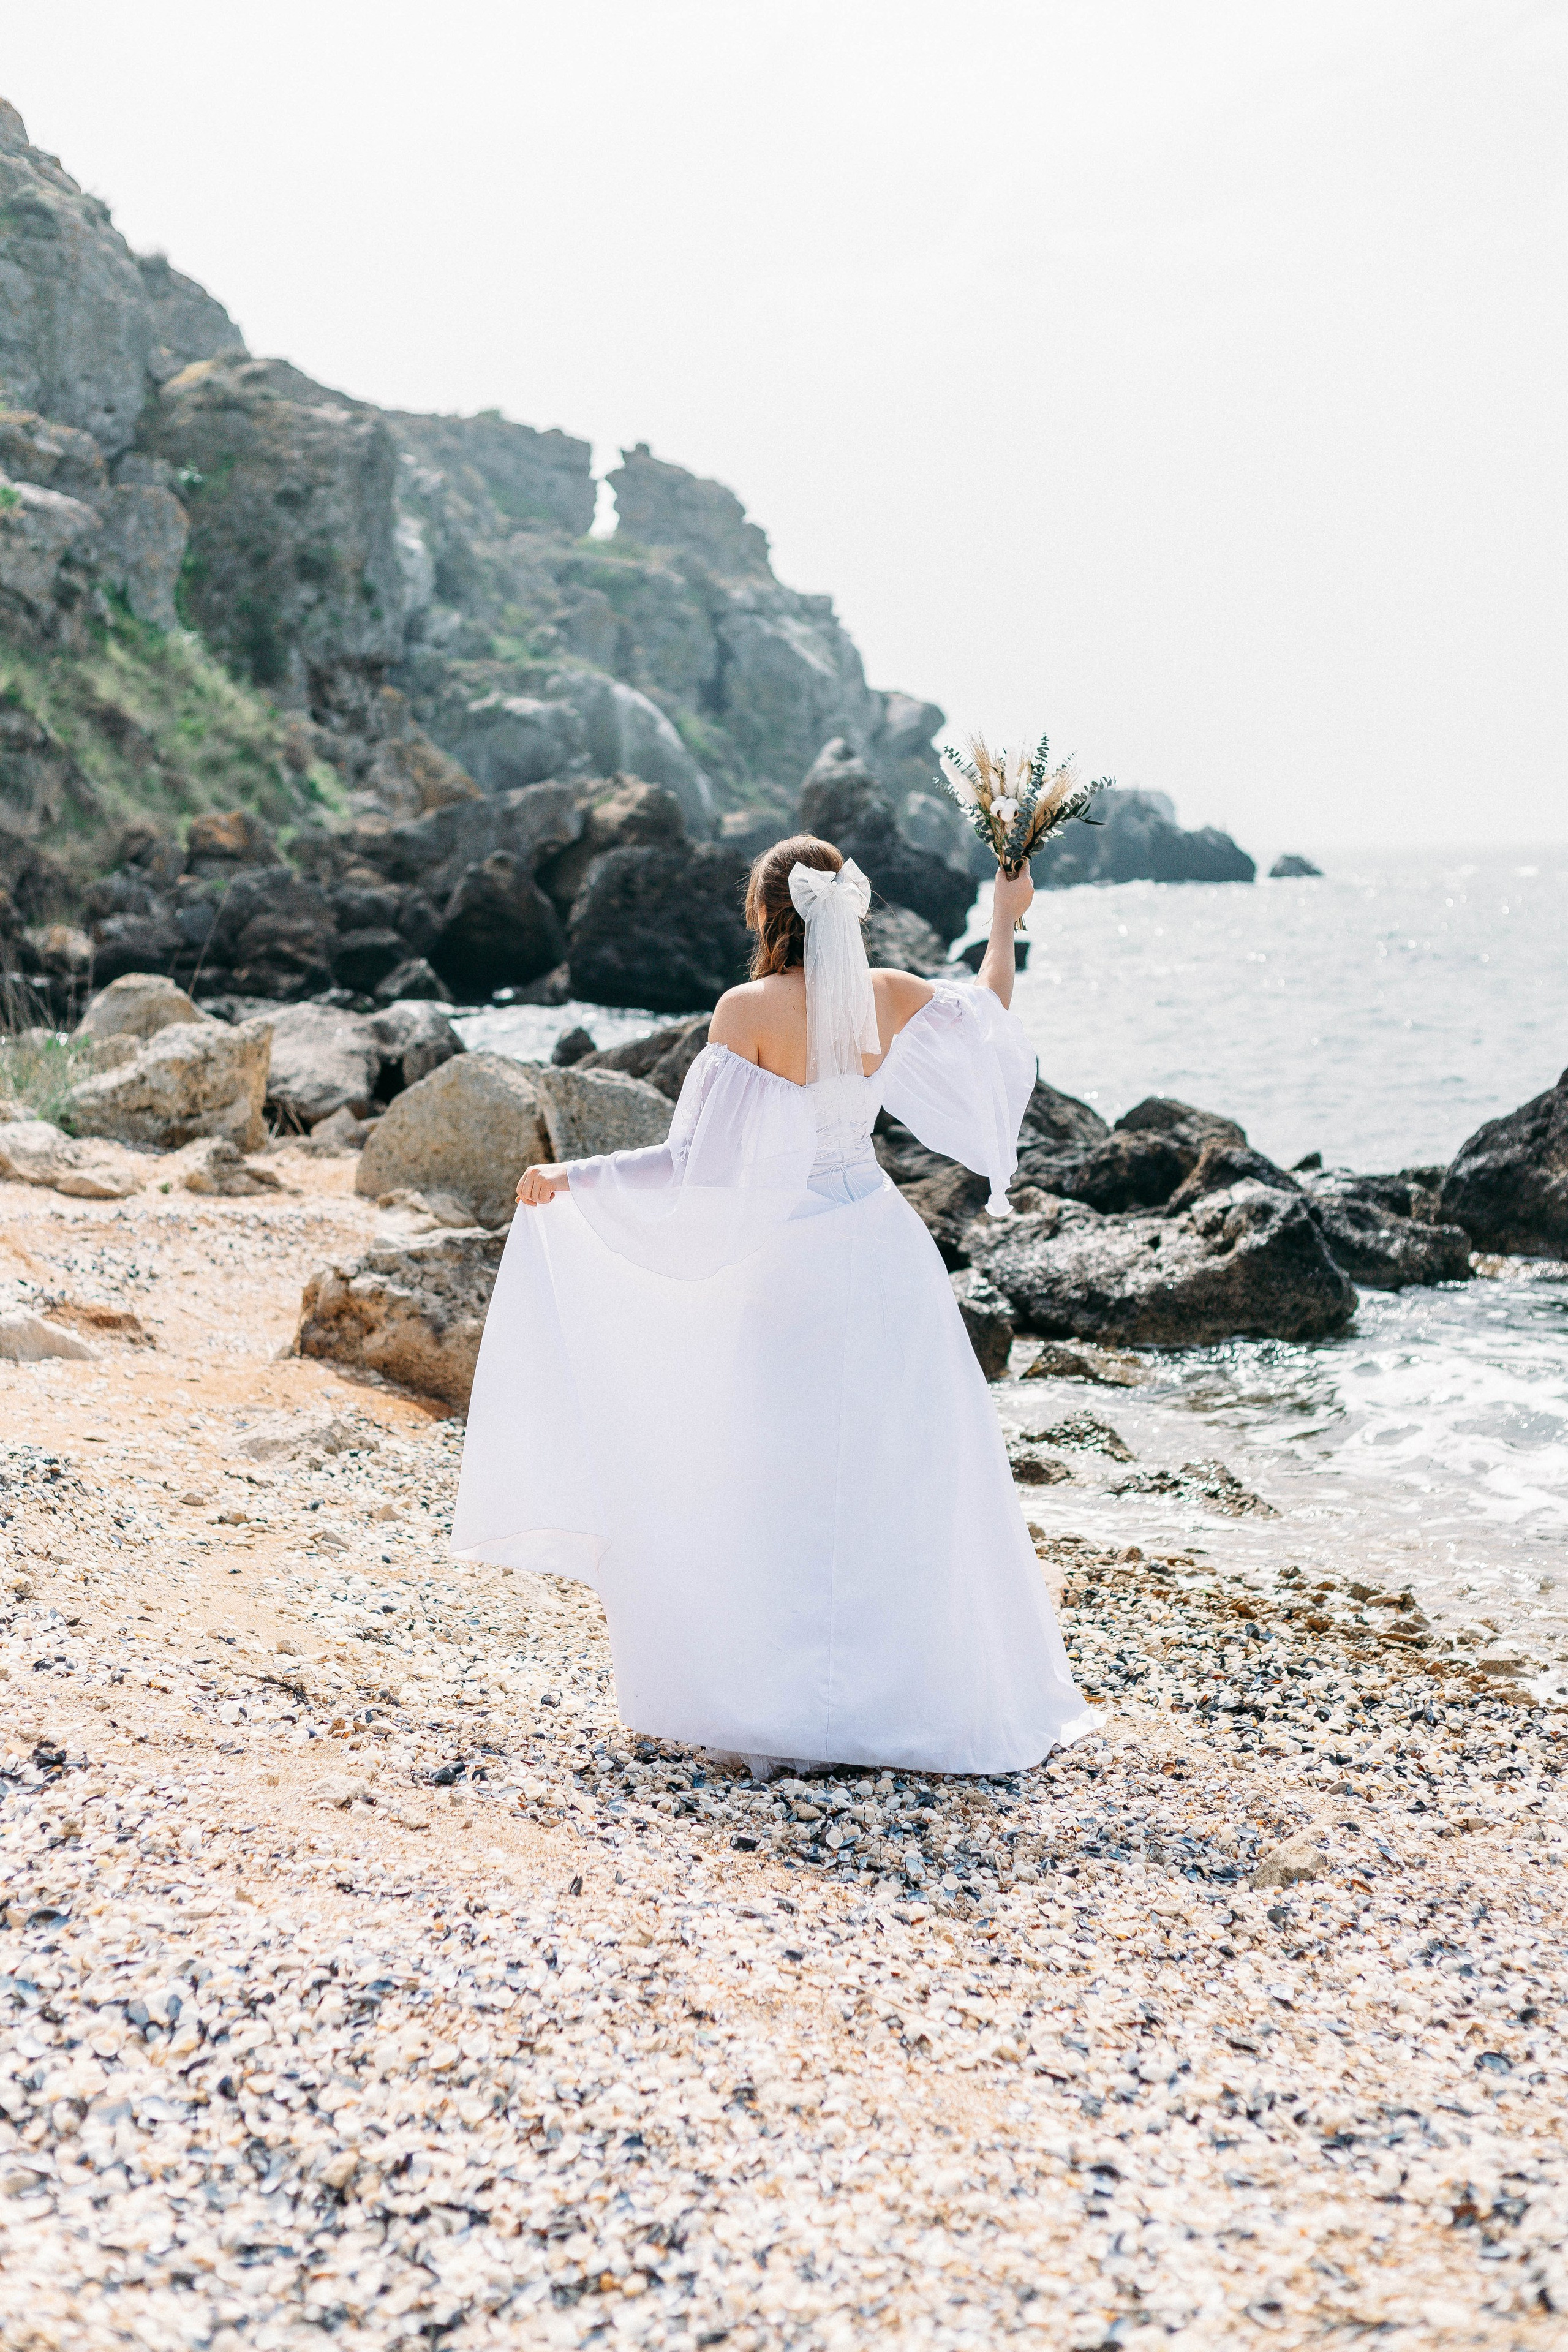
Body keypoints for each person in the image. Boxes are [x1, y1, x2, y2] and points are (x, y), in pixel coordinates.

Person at [452, 835, 1093, 1775]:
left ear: (764, 914)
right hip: (882, 1256)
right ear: (850, 909)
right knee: (896, 1480)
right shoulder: (886, 993)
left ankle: (787, 1704)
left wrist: (572, 1177)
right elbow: (990, 1013)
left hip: (793, 1271)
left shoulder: (746, 1010)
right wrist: (1007, 916)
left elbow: (688, 1170)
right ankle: (909, 1700)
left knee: (778, 1476)